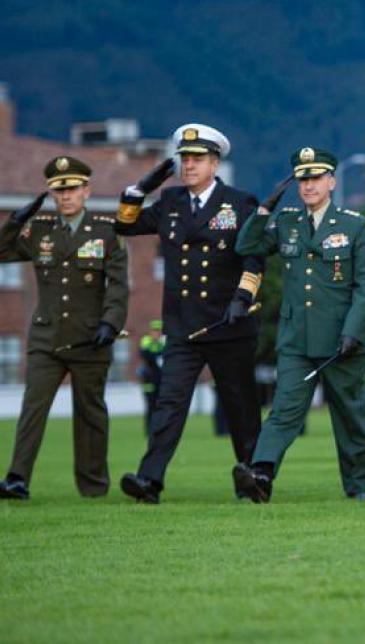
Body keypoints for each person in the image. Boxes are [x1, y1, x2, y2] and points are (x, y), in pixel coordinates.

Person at [116, 124, 265, 504]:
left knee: (240, 406)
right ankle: (150, 480)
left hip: (227, 322)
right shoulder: (170, 202)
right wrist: (138, 191)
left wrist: (243, 298)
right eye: (184, 158)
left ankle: (252, 476)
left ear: (214, 163)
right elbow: (125, 225)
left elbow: (255, 254)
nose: (189, 165)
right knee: (169, 403)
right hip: (184, 325)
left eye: (197, 159)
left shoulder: (239, 202)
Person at [232, 147, 365, 502]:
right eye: (302, 179)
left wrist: (354, 331)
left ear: (331, 181)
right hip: (297, 339)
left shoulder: (355, 225)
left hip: (343, 339)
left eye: (315, 178)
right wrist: (264, 209)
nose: (309, 185)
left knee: (350, 417)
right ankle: (261, 475)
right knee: (284, 411)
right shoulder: (287, 223)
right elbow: (246, 245)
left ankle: (356, 487)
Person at [0, 157, 128, 500]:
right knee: (32, 409)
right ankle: (16, 479)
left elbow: (118, 287)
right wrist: (14, 221)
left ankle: (93, 486)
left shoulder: (106, 231)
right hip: (46, 337)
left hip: (91, 337)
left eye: (71, 189)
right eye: (58, 190)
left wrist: (110, 323)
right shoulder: (40, 229)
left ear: (86, 190)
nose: (65, 196)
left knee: (90, 414)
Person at [137, 320, 166, 434]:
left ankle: (160, 429)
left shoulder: (164, 342)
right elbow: (146, 355)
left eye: (158, 331)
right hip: (149, 379)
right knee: (150, 405)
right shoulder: (145, 341)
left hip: (161, 379)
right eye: (154, 331)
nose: (156, 333)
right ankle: (149, 430)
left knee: (162, 405)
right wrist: (157, 354)